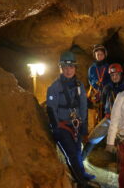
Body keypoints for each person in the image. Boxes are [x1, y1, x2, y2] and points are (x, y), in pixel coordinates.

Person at [46, 51, 96, 188]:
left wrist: (84, 125)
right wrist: (56, 127)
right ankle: (81, 182)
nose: (68, 70)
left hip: (76, 125)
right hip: (62, 126)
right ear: (60, 68)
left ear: (75, 68)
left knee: (78, 151)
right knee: (72, 154)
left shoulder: (79, 85)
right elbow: (51, 108)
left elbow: (83, 105)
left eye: (71, 67)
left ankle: (82, 174)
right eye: (65, 67)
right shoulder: (54, 88)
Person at [82, 63, 124, 160]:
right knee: (93, 137)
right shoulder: (107, 88)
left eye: (117, 75)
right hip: (109, 119)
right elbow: (103, 101)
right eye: (112, 75)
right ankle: (80, 160)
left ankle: (121, 166)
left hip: (123, 121)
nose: (114, 77)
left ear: (121, 75)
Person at [87, 44, 111, 121]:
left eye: (101, 54)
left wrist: (105, 87)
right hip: (95, 93)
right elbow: (90, 79)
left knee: (105, 112)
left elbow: (111, 79)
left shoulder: (108, 67)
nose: (100, 56)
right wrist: (95, 86)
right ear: (95, 55)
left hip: (106, 93)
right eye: (98, 54)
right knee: (94, 113)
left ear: (105, 55)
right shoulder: (92, 68)